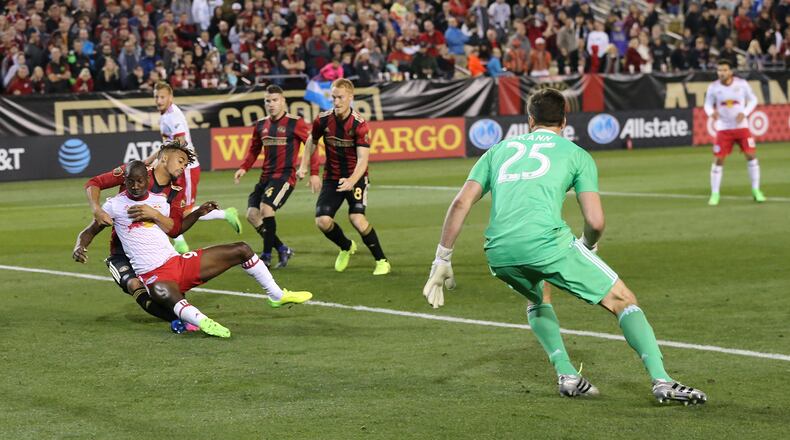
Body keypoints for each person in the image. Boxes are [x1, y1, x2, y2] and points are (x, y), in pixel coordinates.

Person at [422, 88, 707, 405]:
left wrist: (442, 258)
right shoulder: (576, 154)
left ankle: (568, 373)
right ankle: (662, 380)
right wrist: (586, 245)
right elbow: (596, 222)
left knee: (538, 295)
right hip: (545, 244)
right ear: (565, 121)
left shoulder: (497, 150)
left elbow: (461, 202)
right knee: (623, 299)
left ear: (530, 119)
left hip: (499, 253)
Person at [74, 161, 313, 338]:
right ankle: (203, 322)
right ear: (123, 182)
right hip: (153, 273)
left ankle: (276, 295)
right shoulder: (114, 206)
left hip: (178, 263)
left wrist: (197, 212)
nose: (135, 186)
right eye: (130, 182)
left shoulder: (159, 201)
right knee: (160, 292)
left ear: (147, 180)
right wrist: (80, 245)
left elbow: (175, 228)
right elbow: (90, 230)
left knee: (241, 248)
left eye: (140, 181)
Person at [83, 141, 202, 331]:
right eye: (180, 161)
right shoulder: (135, 172)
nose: (183, 167)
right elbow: (94, 183)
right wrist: (97, 210)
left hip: (154, 254)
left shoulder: (174, 191)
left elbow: (175, 229)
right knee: (134, 285)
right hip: (122, 251)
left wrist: (195, 213)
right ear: (164, 157)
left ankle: (182, 315)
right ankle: (179, 320)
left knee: (172, 295)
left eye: (185, 164)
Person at [296, 79, 391, 275]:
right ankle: (346, 246)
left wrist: (351, 181)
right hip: (332, 177)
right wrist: (304, 166)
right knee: (322, 221)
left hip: (356, 177)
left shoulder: (359, 125)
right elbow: (311, 141)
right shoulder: (323, 120)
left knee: (356, 218)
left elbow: (363, 160)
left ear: (350, 98)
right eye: (333, 97)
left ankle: (382, 260)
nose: (336, 101)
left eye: (340, 97)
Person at [150, 82, 243, 252]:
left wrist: (157, 157)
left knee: (185, 211)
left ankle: (226, 214)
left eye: (162, 96)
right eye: (156, 96)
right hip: (175, 168)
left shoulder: (173, 115)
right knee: (167, 204)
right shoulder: (165, 116)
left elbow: (181, 141)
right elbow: (170, 143)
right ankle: (178, 243)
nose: (158, 100)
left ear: (170, 97)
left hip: (186, 169)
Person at [234, 85, 320, 268]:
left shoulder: (295, 122)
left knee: (266, 209)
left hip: (285, 176)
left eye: (275, 100)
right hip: (265, 178)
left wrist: (313, 173)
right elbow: (254, 150)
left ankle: (265, 256)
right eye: (268, 101)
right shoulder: (260, 125)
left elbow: (311, 146)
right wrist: (244, 167)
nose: (271, 104)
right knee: (252, 215)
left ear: (283, 101)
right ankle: (281, 248)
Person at [703, 59, 764, 206]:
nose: (721, 73)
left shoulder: (741, 84)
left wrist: (745, 112)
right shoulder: (713, 87)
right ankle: (715, 193)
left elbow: (753, 100)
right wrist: (711, 112)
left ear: (730, 71)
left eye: (724, 70)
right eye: (719, 70)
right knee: (719, 159)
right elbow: (707, 104)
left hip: (741, 127)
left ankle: (756, 190)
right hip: (723, 128)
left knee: (751, 155)